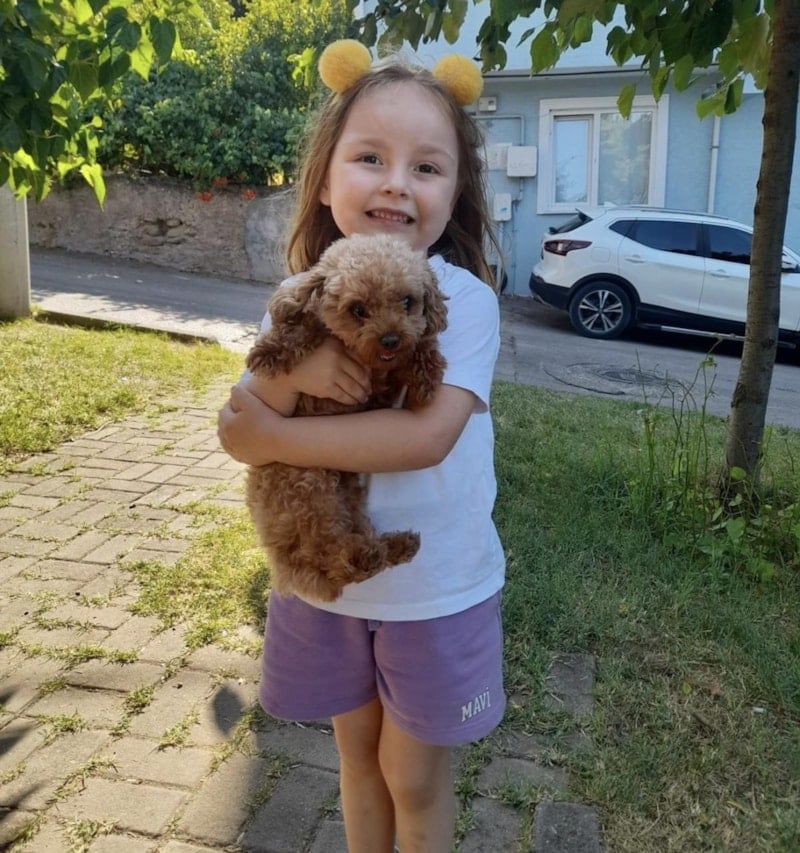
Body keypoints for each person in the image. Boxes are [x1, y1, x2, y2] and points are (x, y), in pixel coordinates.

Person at [217, 39, 506, 853]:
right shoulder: (302, 296)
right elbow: (237, 425)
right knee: (355, 759)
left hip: (434, 587)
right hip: (332, 589)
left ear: (456, 189)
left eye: (426, 166)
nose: (395, 183)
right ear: (325, 177)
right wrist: (295, 374)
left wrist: (279, 433)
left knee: (412, 776)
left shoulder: (460, 300)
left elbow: (425, 435)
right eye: (371, 157)